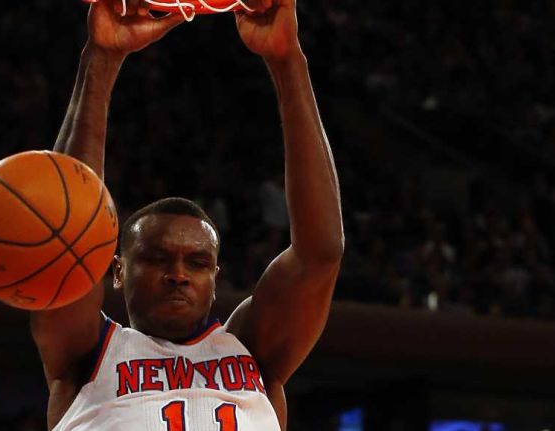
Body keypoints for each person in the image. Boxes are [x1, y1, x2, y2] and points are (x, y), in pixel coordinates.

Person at [31, 0, 344, 429]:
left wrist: (288, 59)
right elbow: (69, 239)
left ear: (215, 276)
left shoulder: (252, 351)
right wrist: (101, 57)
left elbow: (320, 253)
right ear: (117, 270)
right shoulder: (85, 354)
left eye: (197, 263)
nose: (178, 274)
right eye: (157, 258)